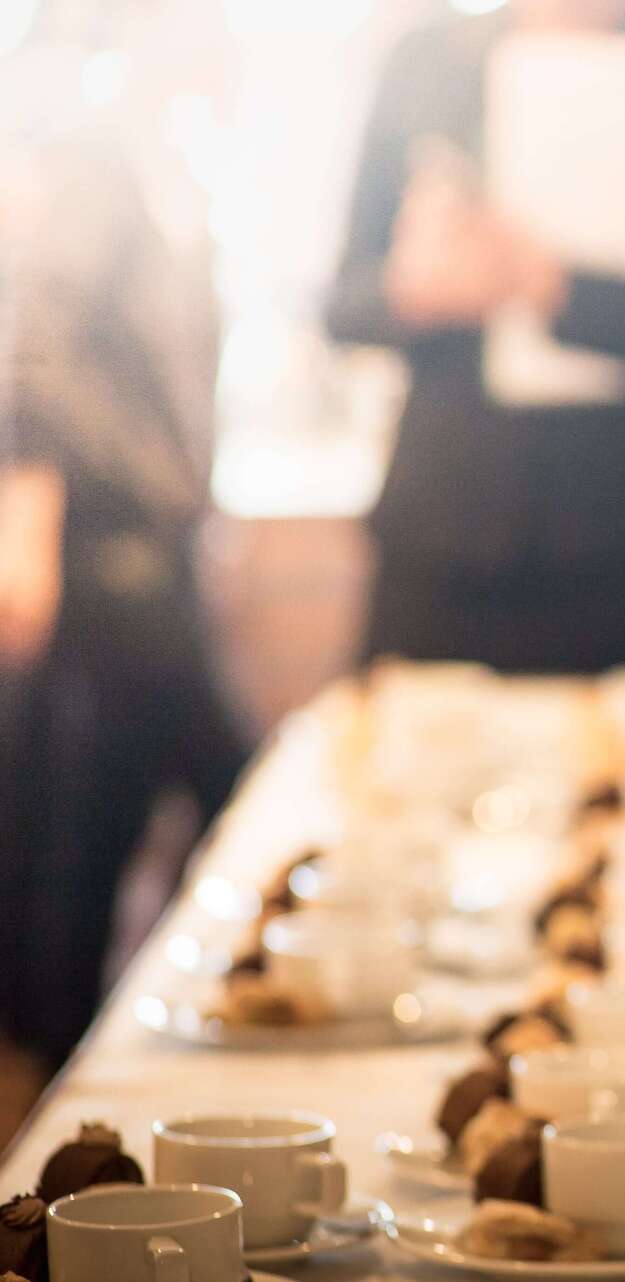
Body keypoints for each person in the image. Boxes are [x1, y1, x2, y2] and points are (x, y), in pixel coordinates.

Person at [326, 0, 625, 674]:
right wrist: (416, 291)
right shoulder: (427, 62)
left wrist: (560, 288)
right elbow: (343, 306)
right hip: (447, 542)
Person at [0, 107, 246, 1071]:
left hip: (140, 554)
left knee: (84, 822)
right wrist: (27, 514)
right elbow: (39, 337)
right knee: (92, 833)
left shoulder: (146, 168)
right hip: (105, 560)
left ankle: (60, 1057)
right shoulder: (92, 159)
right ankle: (55, 1075)